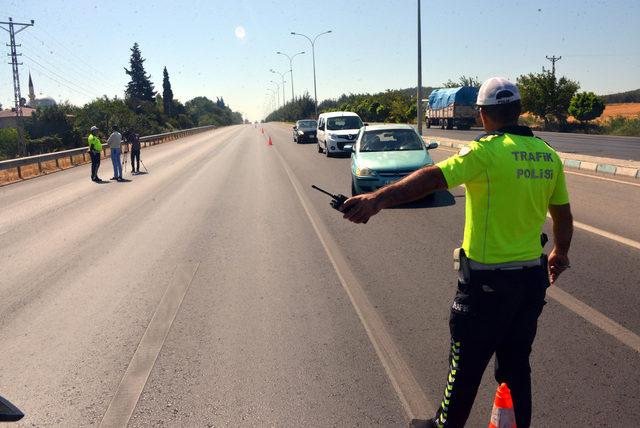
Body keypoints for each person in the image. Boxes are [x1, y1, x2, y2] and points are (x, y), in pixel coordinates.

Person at [340, 77, 574, 428]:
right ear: (518, 111)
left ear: (483, 114)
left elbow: (433, 177)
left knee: (464, 368)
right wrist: (560, 253)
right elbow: (563, 215)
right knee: (515, 366)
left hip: (486, 287)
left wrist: (376, 199)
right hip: (531, 283)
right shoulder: (548, 155)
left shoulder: (484, 152)